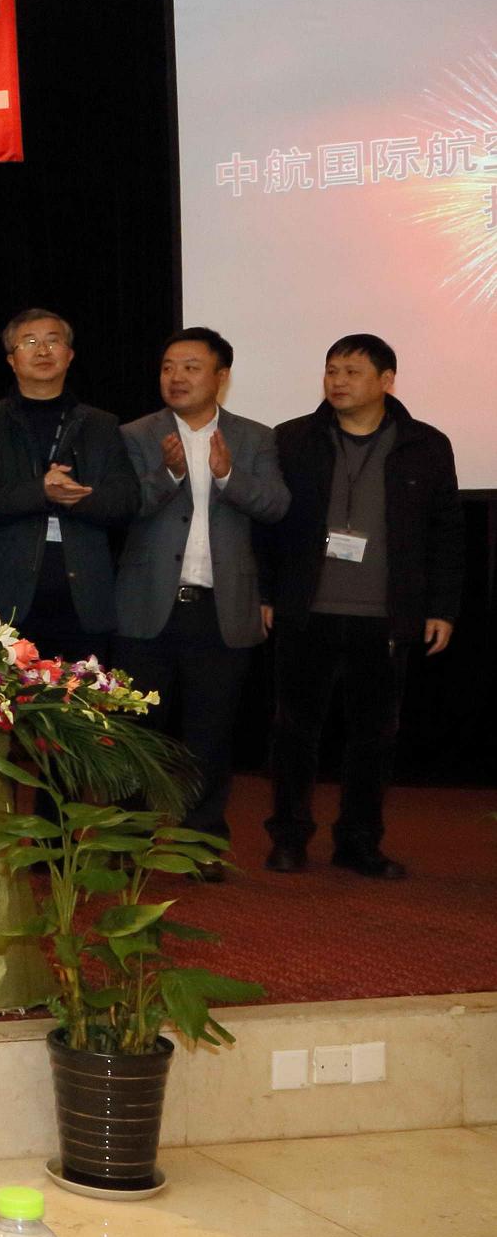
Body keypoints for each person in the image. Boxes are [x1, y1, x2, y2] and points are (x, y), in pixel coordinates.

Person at [260, 334, 462, 879]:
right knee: (294, 732)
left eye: (351, 372)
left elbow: (445, 533)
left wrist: (442, 607)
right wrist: (265, 593)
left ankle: (359, 842)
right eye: (331, 370)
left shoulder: (425, 444)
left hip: (386, 615)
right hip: (307, 610)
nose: (338, 381)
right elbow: (268, 526)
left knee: (373, 738)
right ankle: (289, 838)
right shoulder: (293, 439)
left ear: (386, 381)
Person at [113, 327, 290, 853]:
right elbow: (121, 508)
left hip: (219, 609)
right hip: (147, 606)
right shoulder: (134, 435)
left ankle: (202, 840)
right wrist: (168, 476)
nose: (176, 377)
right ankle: (128, 837)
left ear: (221, 376)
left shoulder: (255, 438)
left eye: (191, 367)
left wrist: (229, 474)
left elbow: (277, 506)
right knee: (136, 731)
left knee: (210, 734)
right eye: (168, 367)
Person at [0, 308, 138, 668]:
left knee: (83, 699)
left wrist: (77, 497)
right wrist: (40, 492)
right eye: (29, 342)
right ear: (11, 360)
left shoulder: (101, 425)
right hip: (3, 599)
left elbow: (126, 501)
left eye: (52, 341)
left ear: (69, 355)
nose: (43, 350)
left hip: (83, 598)